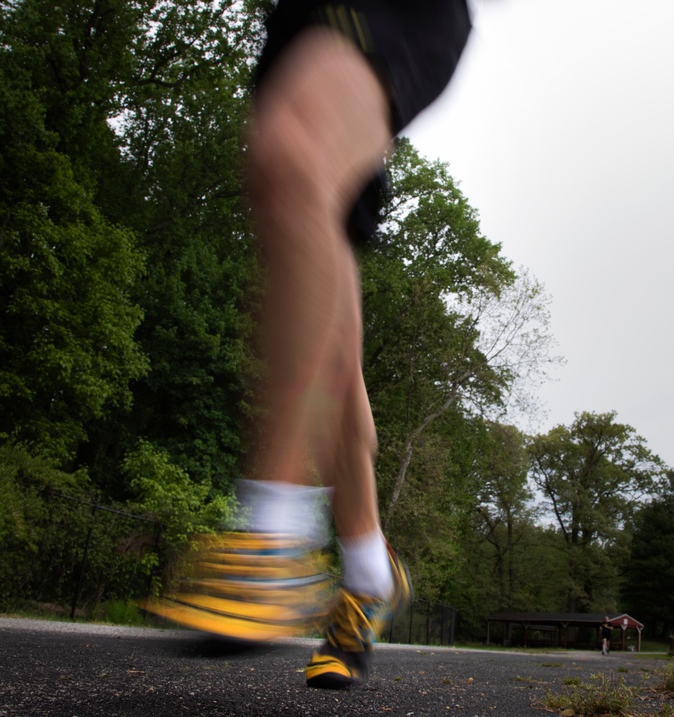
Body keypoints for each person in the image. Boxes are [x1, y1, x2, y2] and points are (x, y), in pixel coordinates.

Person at [144, 0, 472, 691]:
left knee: (293, 149)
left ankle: (269, 536)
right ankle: (367, 572)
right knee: (330, 341)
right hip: (297, 27)